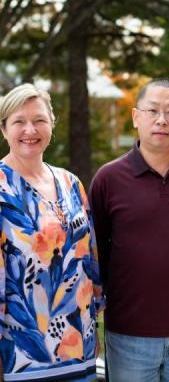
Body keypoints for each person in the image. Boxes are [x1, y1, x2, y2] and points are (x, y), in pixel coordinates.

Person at [89, 79, 169, 382]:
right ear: (136, 117)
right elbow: (97, 253)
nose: (162, 120)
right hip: (128, 334)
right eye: (153, 110)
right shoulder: (107, 179)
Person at [0, 84, 105, 382]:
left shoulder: (71, 183)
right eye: (19, 121)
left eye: (39, 120)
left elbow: (91, 262)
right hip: (22, 359)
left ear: (51, 125)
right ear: (4, 129)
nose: (29, 130)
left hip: (79, 352)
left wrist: (93, 325)